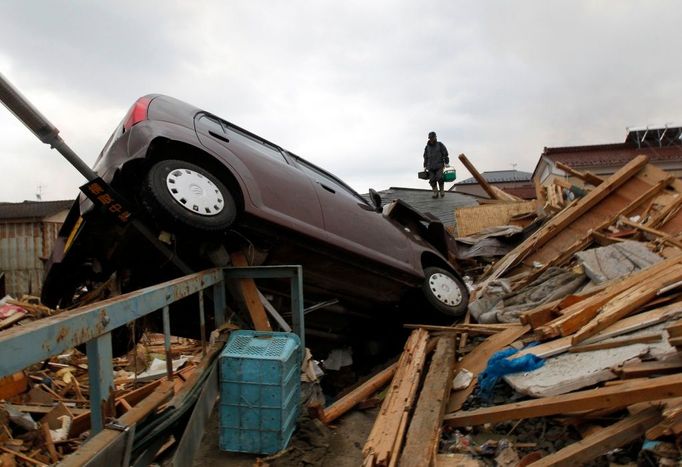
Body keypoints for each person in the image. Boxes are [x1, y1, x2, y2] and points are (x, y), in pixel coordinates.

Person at [423, 131, 449, 198]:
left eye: (432, 137)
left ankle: (442, 191)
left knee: (440, 178)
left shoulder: (440, 144)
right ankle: (435, 193)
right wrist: (425, 166)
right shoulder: (427, 147)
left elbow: (445, 153)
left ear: (435, 137)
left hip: (439, 165)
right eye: (430, 138)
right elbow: (425, 157)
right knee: (432, 180)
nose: (431, 139)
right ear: (429, 138)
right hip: (430, 167)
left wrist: (446, 162)